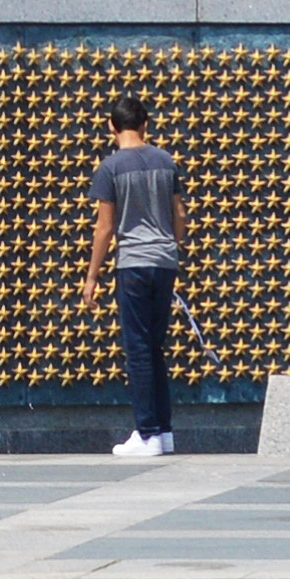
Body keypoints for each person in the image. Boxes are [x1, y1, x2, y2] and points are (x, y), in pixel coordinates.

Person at [86, 96, 183, 458]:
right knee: (155, 347)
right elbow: (180, 214)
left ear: (112, 127)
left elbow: (104, 227)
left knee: (138, 349)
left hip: (133, 263)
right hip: (164, 260)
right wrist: (172, 246)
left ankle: (147, 433)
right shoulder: (166, 161)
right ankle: (164, 430)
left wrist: (91, 277)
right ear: (145, 124)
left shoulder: (110, 168)